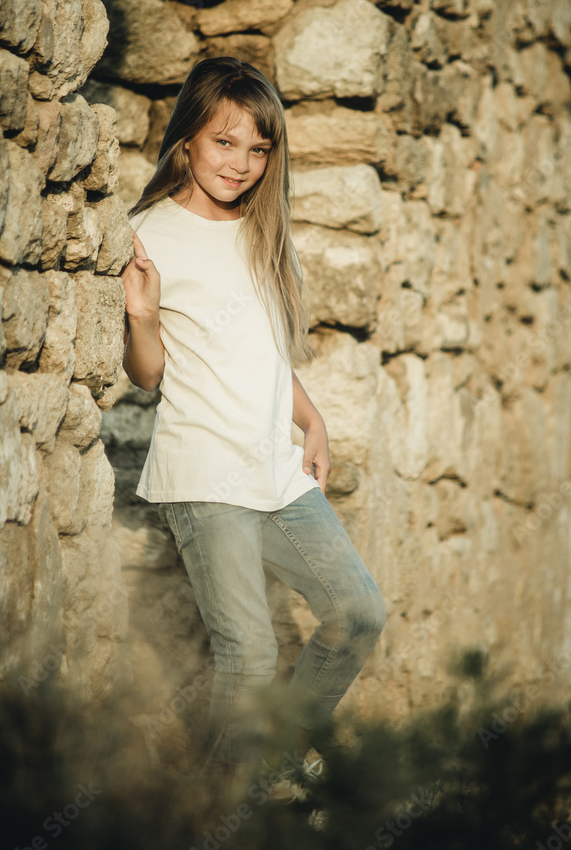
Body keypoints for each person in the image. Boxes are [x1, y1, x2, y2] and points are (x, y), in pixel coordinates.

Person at [121, 56, 386, 784]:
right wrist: (142, 314)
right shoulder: (149, 234)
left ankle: (261, 777)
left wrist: (314, 422)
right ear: (186, 141)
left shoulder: (263, 229)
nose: (240, 163)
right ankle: (224, 815)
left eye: (258, 148)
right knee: (250, 653)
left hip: (275, 466)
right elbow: (147, 374)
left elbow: (262, 354)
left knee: (357, 613)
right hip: (205, 472)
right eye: (223, 143)